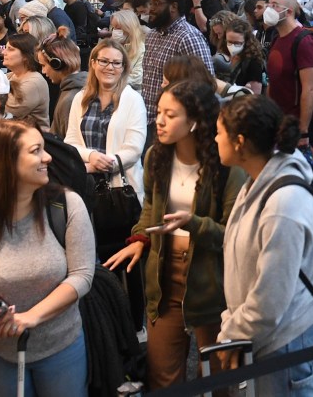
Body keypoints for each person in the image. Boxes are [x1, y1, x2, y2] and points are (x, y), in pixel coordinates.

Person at [103, 81, 247, 391]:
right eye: (158, 112)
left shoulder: (226, 166)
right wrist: (141, 239)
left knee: (219, 376)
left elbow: (236, 235)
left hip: (213, 279)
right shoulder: (157, 155)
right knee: (162, 376)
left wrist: (193, 223)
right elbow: (150, 210)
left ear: (194, 122)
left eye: (171, 114)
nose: (160, 120)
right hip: (164, 273)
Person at [214, 95, 313, 396]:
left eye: (219, 132)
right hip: (263, 336)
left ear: (239, 141)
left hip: (285, 340)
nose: (214, 139)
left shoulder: (283, 203)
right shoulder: (253, 183)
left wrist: (233, 336)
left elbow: (271, 297)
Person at [0, 121, 95, 396]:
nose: (48, 157)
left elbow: (82, 275)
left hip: (61, 347)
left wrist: (30, 318)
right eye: (36, 150)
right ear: (6, 162)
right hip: (0, 353)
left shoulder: (65, 205)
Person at [64, 39, 147, 251]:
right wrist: (91, 158)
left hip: (120, 190)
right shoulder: (80, 98)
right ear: (92, 63)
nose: (109, 67)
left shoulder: (133, 99)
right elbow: (71, 142)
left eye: (116, 63)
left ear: (123, 68)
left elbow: (134, 148)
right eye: (104, 61)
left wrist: (106, 163)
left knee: (118, 253)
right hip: (86, 186)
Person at [142, 0, 215, 137]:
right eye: (150, 3)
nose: (151, 9)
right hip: (147, 119)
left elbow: (206, 83)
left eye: (157, 4)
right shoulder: (152, 35)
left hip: (175, 124)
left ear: (173, 7)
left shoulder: (188, 37)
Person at [264, 0, 313, 149]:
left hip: (295, 125)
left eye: (274, 5)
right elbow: (273, 81)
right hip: (278, 121)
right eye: (269, 4)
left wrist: (303, 130)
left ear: (288, 11)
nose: (269, 9)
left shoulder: (304, 41)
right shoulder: (277, 39)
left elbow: (309, 89)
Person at [38, 29, 87, 138]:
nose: (43, 71)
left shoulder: (71, 98)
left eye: (43, 65)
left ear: (56, 64)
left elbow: (68, 144)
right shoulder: (70, 89)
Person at [3, 33, 50, 130]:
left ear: (25, 55)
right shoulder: (12, 75)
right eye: (5, 48)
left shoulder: (34, 82)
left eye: (10, 49)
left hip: (34, 140)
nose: (4, 52)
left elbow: (4, 113)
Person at [221, 18, 265, 95]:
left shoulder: (253, 63)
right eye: (229, 42)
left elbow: (255, 95)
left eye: (237, 43)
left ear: (247, 41)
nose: (232, 46)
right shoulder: (225, 55)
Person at [108, 10, 146, 91]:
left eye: (118, 28)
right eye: (113, 27)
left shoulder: (140, 48)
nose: (115, 31)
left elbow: (137, 77)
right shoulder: (110, 46)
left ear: (129, 28)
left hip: (130, 93)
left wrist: (112, 80)